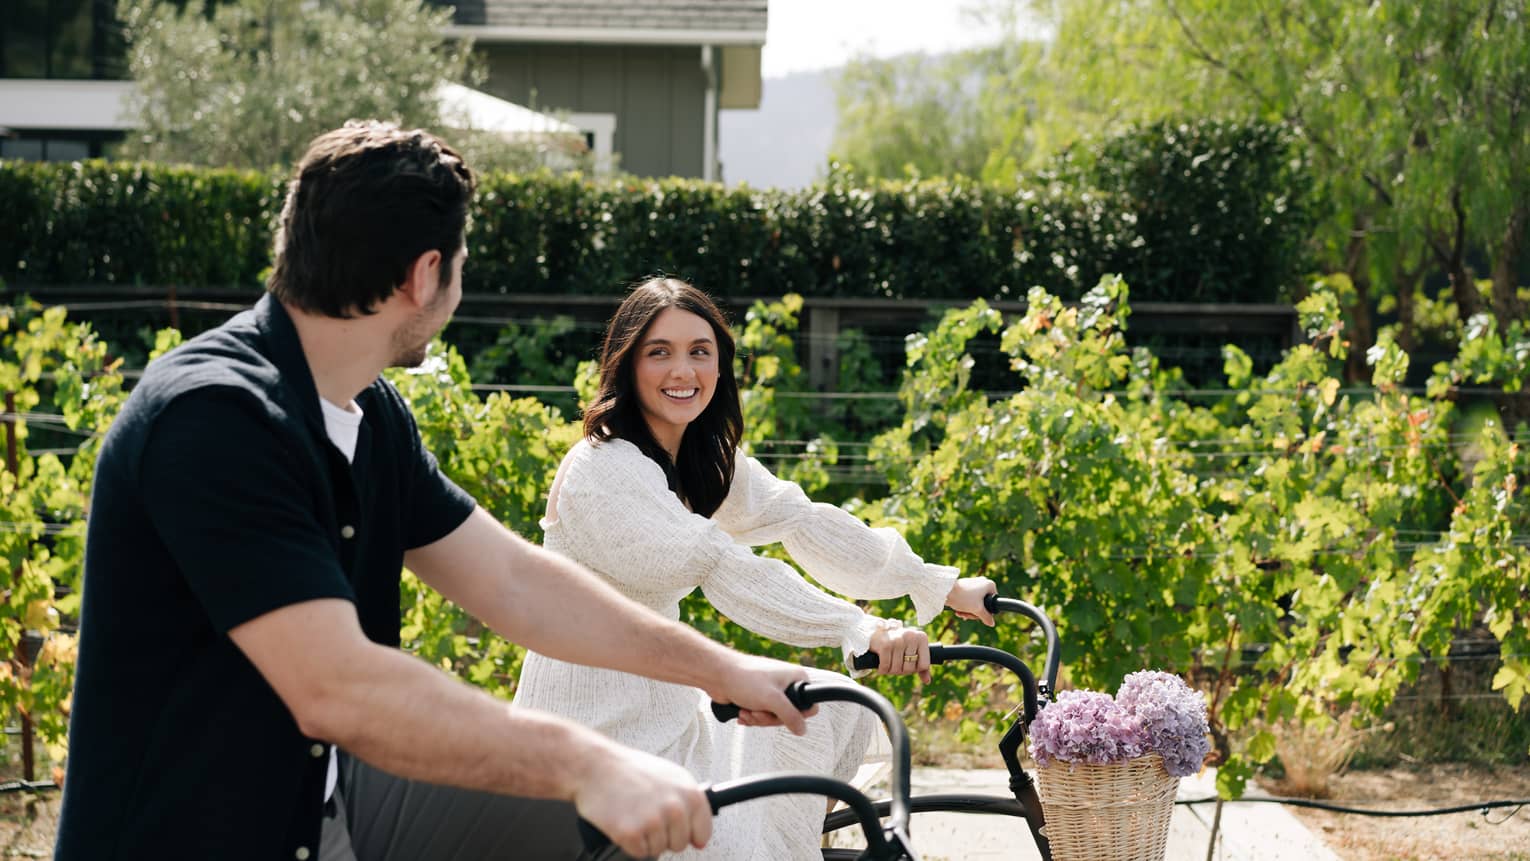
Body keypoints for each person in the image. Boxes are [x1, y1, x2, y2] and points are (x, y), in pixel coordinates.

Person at [52, 122, 815, 861]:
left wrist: (721, 668)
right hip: (185, 838)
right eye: (461, 261)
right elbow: (337, 687)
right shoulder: (217, 418)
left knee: (567, 836)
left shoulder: (370, 414)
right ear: (424, 275)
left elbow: (515, 583)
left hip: (316, 816)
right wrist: (593, 765)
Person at [512, 277, 998, 860]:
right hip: (593, 739)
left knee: (835, 707)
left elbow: (802, 520)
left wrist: (935, 586)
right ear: (626, 364)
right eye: (658, 352)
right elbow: (722, 568)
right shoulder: (604, 469)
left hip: (672, 720)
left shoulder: (698, 458)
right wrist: (857, 628)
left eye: (699, 351)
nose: (682, 371)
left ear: (720, 365)